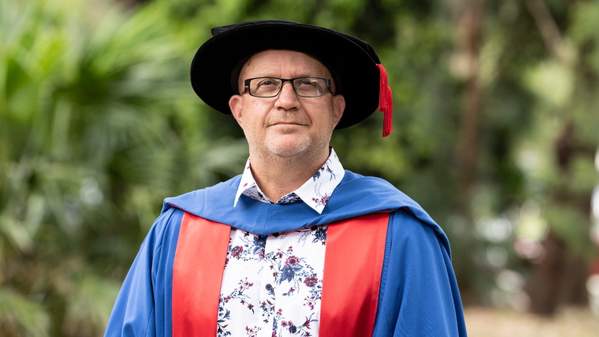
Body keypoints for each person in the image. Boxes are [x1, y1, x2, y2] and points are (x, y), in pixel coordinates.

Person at [104, 20, 468, 337]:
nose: (287, 101)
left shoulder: (399, 233)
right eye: (264, 85)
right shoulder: (178, 230)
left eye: (309, 85)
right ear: (238, 109)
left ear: (336, 109)